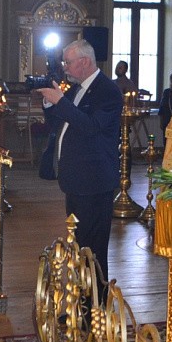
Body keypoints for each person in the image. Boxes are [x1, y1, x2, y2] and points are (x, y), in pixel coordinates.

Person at [36, 39, 123, 283]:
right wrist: (50, 103)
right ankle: (79, 297)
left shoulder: (107, 90)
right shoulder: (78, 88)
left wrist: (61, 101)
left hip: (94, 182)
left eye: (68, 62)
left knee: (93, 249)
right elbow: (60, 122)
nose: (65, 67)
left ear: (84, 62)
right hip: (76, 181)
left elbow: (91, 126)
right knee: (77, 243)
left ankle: (94, 301)